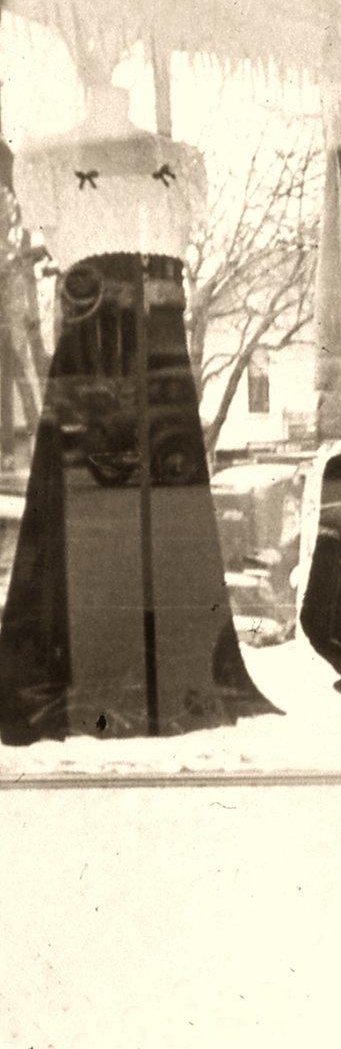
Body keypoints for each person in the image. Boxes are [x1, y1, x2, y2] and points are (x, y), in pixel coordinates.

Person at [0, 82, 278, 743]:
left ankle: (173, 674)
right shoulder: (46, 160)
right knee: (89, 516)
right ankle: (92, 675)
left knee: (167, 516)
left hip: (162, 362)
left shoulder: (180, 159)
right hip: (91, 361)